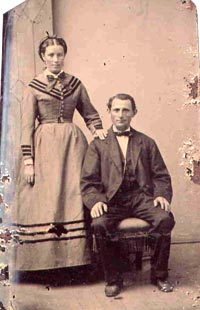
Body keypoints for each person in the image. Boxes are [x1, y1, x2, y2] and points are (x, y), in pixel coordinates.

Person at [12, 34, 106, 271]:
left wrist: (98, 130)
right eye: (51, 55)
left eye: (60, 54)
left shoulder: (75, 83)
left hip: (73, 148)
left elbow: (90, 114)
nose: (56, 59)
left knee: (75, 194)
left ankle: (76, 261)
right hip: (44, 148)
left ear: (65, 55)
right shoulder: (33, 87)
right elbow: (26, 127)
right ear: (43, 57)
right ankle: (44, 263)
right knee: (46, 199)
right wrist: (28, 161)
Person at [81, 93, 175, 297]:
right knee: (99, 224)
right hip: (111, 200)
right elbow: (88, 182)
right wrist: (96, 200)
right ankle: (113, 279)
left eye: (125, 110)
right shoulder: (98, 144)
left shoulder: (147, 142)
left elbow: (161, 175)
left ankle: (159, 275)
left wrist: (161, 195)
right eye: (116, 110)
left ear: (134, 113)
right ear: (109, 112)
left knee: (165, 218)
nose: (121, 115)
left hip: (141, 198)